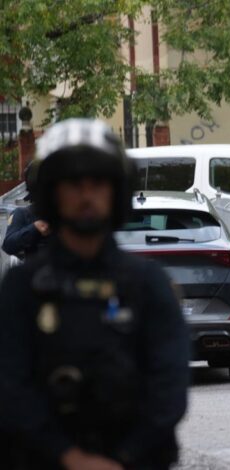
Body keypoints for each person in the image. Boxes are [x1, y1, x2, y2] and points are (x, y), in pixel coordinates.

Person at [0, 118, 189, 469]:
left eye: (98, 183)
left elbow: (170, 388)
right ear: (52, 193)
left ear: (116, 191)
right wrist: (68, 457)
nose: (87, 195)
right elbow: (11, 389)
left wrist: (124, 458)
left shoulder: (148, 285)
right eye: (73, 184)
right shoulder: (21, 289)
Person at [2, 160, 51, 259]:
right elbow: (8, 245)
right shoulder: (23, 213)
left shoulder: (68, 214)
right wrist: (35, 228)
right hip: (36, 271)